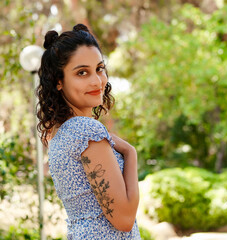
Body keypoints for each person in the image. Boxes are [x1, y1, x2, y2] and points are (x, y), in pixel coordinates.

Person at [36, 23, 141, 239]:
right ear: (58, 81)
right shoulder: (85, 131)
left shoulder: (60, 133)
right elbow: (124, 219)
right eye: (82, 72)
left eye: (99, 69)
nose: (97, 81)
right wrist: (131, 153)